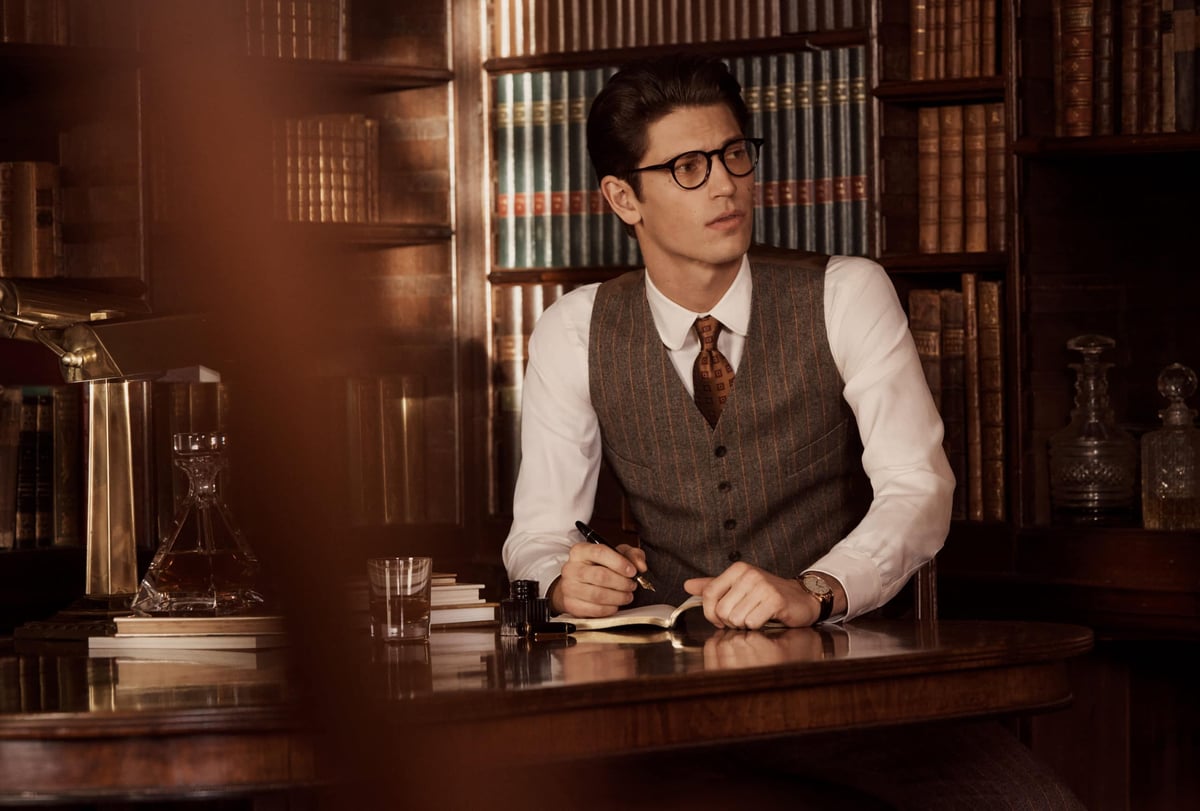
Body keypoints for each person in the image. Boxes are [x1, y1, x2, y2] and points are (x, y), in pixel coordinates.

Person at [502, 51, 953, 628]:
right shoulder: (572, 331)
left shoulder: (846, 293)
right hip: (665, 667)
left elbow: (919, 486)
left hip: (839, 654)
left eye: (734, 155)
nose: (726, 186)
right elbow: (538, 535)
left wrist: (814, 590)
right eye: (689, 166)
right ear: (623, 199)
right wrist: (564, 583)